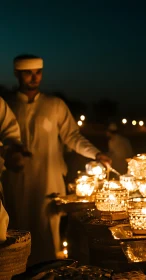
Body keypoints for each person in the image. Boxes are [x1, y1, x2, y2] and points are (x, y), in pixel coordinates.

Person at [2, 54, 111, 266]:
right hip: (15, 182)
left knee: (47, 233)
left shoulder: (55, 104)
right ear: (17, 74)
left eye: (38, 72)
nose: (34, 78)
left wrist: (96, 154)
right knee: (16, 232)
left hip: (48, 181)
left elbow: (72, 136)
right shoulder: (7, 105)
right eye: (28, 73)